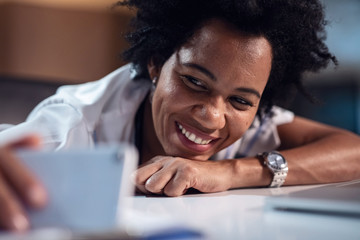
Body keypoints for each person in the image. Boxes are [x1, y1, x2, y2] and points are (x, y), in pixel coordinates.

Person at [0, 0, 360, 232]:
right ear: (156, 63)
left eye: (239, 101)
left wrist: (228, 172)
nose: (212, 116)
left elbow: (353, 151)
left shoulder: (254, 120)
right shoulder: (74, 124)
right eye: (194, 82)